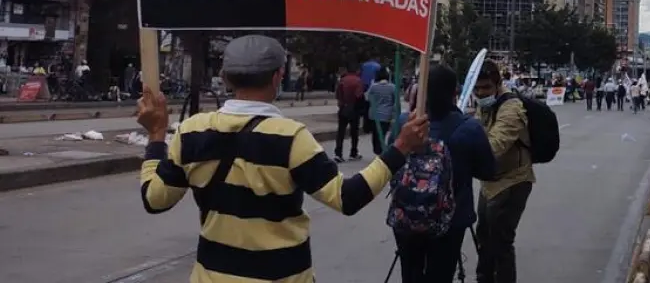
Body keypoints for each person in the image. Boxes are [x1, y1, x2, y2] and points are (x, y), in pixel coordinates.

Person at [137, 35, 430, 283]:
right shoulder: (291, 137)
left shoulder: (191, 132)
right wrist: (400, 148)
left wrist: (157, 135)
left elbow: (154, 199)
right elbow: (347, 198)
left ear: (225, 78)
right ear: (278, 77)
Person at [392, 65, 496, 283]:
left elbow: (391, 160)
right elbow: (488, 171)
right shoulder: (469, 128)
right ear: (455, 92)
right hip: (450, 219)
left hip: (408, 215)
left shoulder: (406, 123)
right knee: (440, 275)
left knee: (410, 274)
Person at [472, 60, 535, 283]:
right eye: (477, 88)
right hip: (490, 181)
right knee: (484, 236)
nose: (481, 93)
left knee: (500, 242)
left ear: (498, 84)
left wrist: (465, 149)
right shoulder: (484, 105)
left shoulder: (511, 107)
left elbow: (494, 145)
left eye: (486, 87)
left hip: (512, 181)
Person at [334, 65, 365, 162]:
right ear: (357, 71)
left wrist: (342, 103)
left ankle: (338, 154)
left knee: (341, 132)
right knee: (354, 132)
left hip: (343, 108)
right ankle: (353, 153)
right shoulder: (358, 81)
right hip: (354, 109)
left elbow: (338, 95)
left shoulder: (342, 80)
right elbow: (359, 95)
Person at [366, 68, 396, 155]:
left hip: (374, 115)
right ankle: (381, 151)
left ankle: (378, 151)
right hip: (386, 115)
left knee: (375, 135)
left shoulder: (373, 86)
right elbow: (395, 101)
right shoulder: (392, 87)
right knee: (382, 134)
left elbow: (367, 98)